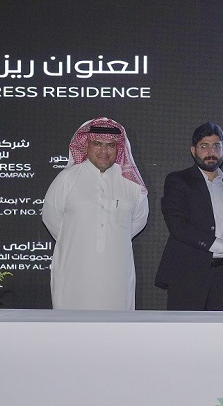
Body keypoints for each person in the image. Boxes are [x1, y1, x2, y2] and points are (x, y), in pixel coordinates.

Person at [42, 117, 148, 310]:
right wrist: (77, 239)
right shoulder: (67, 178)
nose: (104, 151)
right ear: (86, 145)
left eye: (110, 145)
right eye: (97, 144)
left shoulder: (132, 184)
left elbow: (138, 220)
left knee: (116, 324)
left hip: (117, 274)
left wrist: (113, 238)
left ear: (118, 148)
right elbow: (51, 218)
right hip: (74, 271)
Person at [155, 122, 223, 310]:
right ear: (193, 150)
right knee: (185, 330)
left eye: (216, 146)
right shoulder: (178, 180)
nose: (211, 152)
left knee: (222, 330)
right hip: (187, 276)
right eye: (204, 146)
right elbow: (178, 227)